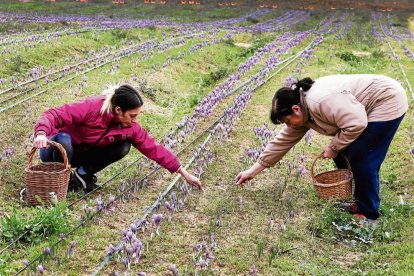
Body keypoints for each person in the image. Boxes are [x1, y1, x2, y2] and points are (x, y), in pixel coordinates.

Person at [236, 74, 408, 223]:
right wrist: (252, 170)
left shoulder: (320, 101)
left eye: (287, 121)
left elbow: (356, 123)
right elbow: (281, 142)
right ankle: (359, 198)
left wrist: (334, 147)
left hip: (386, 100)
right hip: (365, 108)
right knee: (346, 152)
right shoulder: (302, 109)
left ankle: (368, 213)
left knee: (362, 156)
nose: (288, 126)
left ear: (296, 109)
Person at [33, 84, 202, 192]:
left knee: (123, 147)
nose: (135, 120)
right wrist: (41, 133)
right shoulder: (91, 108)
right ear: (118, 110)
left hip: (82, 154)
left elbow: (154, 149)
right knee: (63, 139)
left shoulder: (130, 127)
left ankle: (81, 175)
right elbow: (53, 114)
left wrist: (184, 173)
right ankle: (61, 182)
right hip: (57, 153)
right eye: (132, 115)